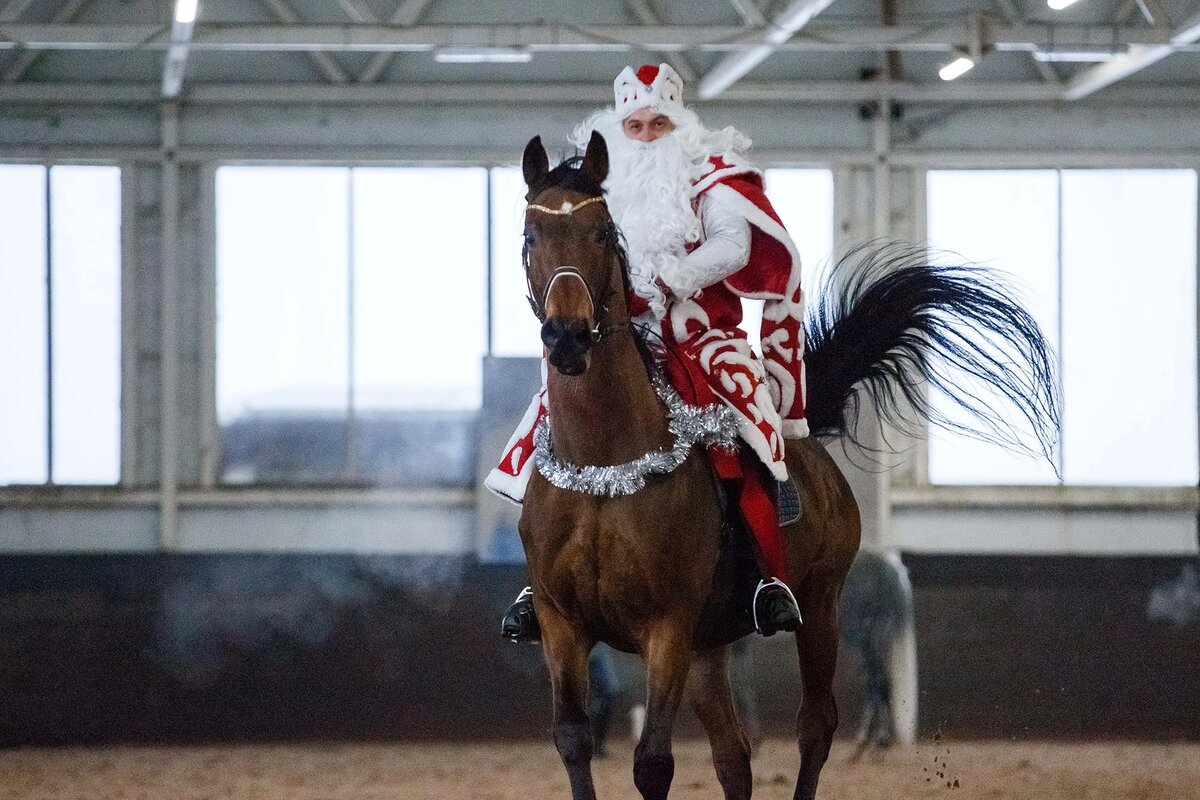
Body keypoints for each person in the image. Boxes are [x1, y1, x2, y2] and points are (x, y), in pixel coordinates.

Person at [489, 63, 808, 641]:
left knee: (744, 414)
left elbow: (734, 246)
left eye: (657, 124)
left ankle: (767, 575)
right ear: (616, 128)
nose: (645, 136)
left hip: (696, 332)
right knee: (552, 417)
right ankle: (541, 585)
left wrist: (673, 278)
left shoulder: (712, 177)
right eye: (633, 126)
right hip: (612, 332)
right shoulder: (593, 189)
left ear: (679, 124)